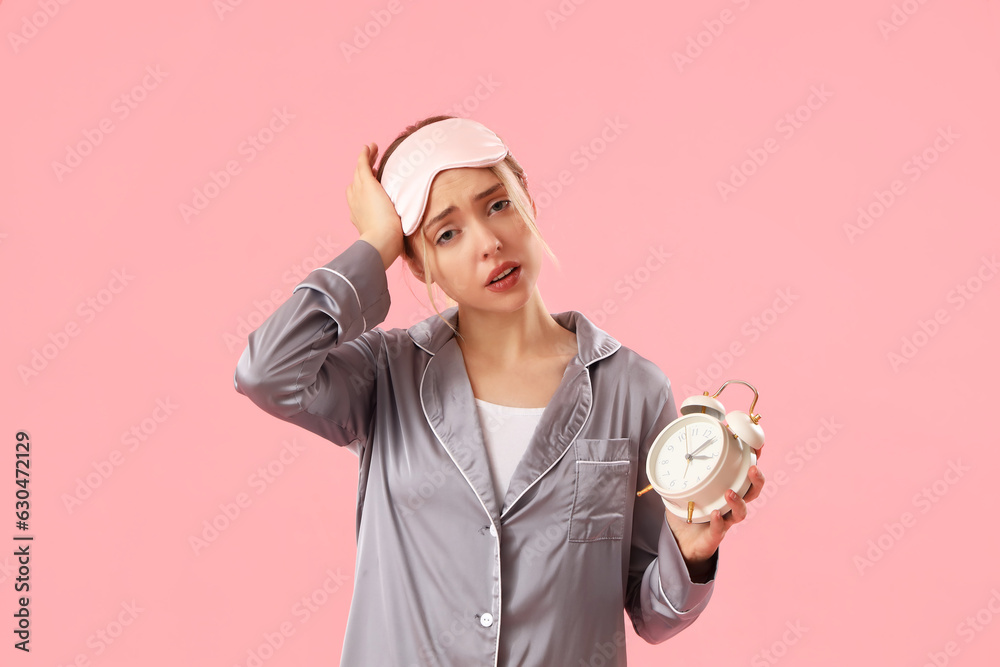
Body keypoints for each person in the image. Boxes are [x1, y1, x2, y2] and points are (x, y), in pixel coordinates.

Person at [233, 115, 766, 666]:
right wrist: (374, 245)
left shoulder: (633, 389)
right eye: (447, 233)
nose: (489, 242)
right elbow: (267, 371)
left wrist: (691, 552)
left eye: (497, 205)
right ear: (417, 264)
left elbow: (651, 614)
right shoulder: (384, 375)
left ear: (527, 199)